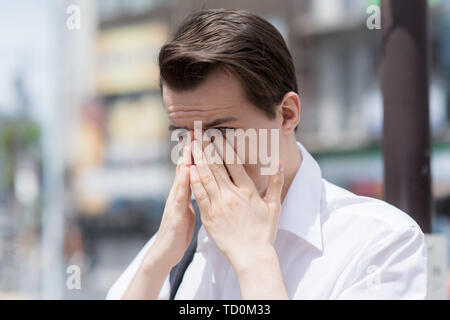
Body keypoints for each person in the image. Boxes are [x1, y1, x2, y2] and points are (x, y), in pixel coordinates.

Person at [106, 8, 427, 300]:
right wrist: (156, 263)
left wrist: (254, 260)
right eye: (181, 134)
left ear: (287, 114)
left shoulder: (381, 244)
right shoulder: (175, 248)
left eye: (220, 133)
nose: (196, 156)